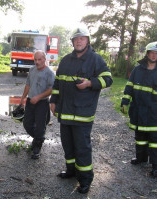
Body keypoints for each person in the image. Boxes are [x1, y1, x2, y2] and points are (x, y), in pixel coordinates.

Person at [50, 27, 113, 194]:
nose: (79, 41)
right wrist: (53, 100)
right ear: (72, 42)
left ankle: (85, 180)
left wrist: (90, 83)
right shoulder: (65, 60)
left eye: (82, 39)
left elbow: (108, 79)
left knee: (82, 147)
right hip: (65, 112)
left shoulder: (95, 59)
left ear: (87, 41)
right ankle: (71, 171)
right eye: (76, 39)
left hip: (83, 114)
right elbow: (57, 82)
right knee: (68, 145)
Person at [121, 41, 157, 177]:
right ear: (147, 54)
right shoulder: (138, 70)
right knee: (140, 136)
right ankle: (141, 158)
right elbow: (129, 87)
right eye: (152, 53)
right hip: (138, 109)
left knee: (155, 141)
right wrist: (125, 102)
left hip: (154, 112)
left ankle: (155, 165)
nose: (154, 56)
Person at [19, 50, 55, 159]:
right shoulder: (32, 70)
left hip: (42, 103)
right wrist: (22, 99)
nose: (37, 62)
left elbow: (52, 89)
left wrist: (38, 97)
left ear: (45, 59)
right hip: (30, 102)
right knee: (27, 124)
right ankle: (39, 139)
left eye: (39, 59)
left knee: (40, 126)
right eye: (35, 59)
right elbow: (28, 85)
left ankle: (37, 148)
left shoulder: (49, 73)